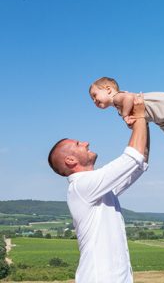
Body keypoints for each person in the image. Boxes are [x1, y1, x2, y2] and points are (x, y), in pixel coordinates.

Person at [48, 95, 149, 283]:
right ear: (70, 160)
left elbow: (139, 160)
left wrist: (142, 123)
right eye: (78, 144)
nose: (86, 143)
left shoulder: (98, 189)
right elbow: (132, 157)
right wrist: (141, 116)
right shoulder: (82, 187)